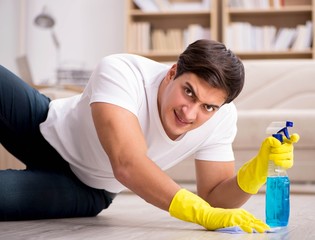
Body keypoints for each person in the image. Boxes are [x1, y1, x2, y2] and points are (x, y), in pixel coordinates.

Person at [0, 39, 299, 232]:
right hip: (41, 123)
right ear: (172, 72)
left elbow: (214, 198)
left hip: (86, 187)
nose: (190, 113)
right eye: (188, 92)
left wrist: (255, 172)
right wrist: (197, 213)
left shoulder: (221, 120)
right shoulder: (122, 71)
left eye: (208, 106)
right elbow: (127, 162)